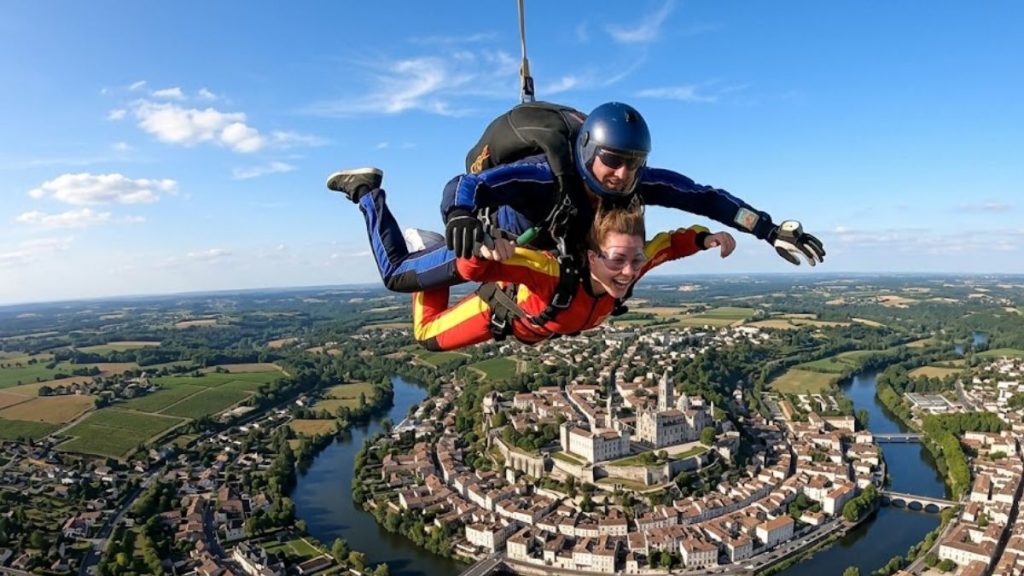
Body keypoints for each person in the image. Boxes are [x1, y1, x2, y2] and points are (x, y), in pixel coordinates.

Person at [327, 101, 823, 293]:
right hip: (496, 235)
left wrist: (767, 227)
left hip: (542, 247)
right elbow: (467, 185)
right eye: (612, 160)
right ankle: (368, 191)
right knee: (398, 276)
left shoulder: (635, 180)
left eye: (633, 163)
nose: (621, 174)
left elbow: (703, 198)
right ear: (588, 151)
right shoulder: (545, 175)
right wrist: (459, 215)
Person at [411, 203, 735, 351]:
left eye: (636, 260)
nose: (629, 271)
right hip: (505, 312)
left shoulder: (633, 265)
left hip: (542, 328)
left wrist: (704, 239)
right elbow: (475, 270)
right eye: (618, 260)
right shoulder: (548, 272)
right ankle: (430, 248)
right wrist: (481, 247)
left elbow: (667, 245)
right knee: (427, 336)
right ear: (592, 256)